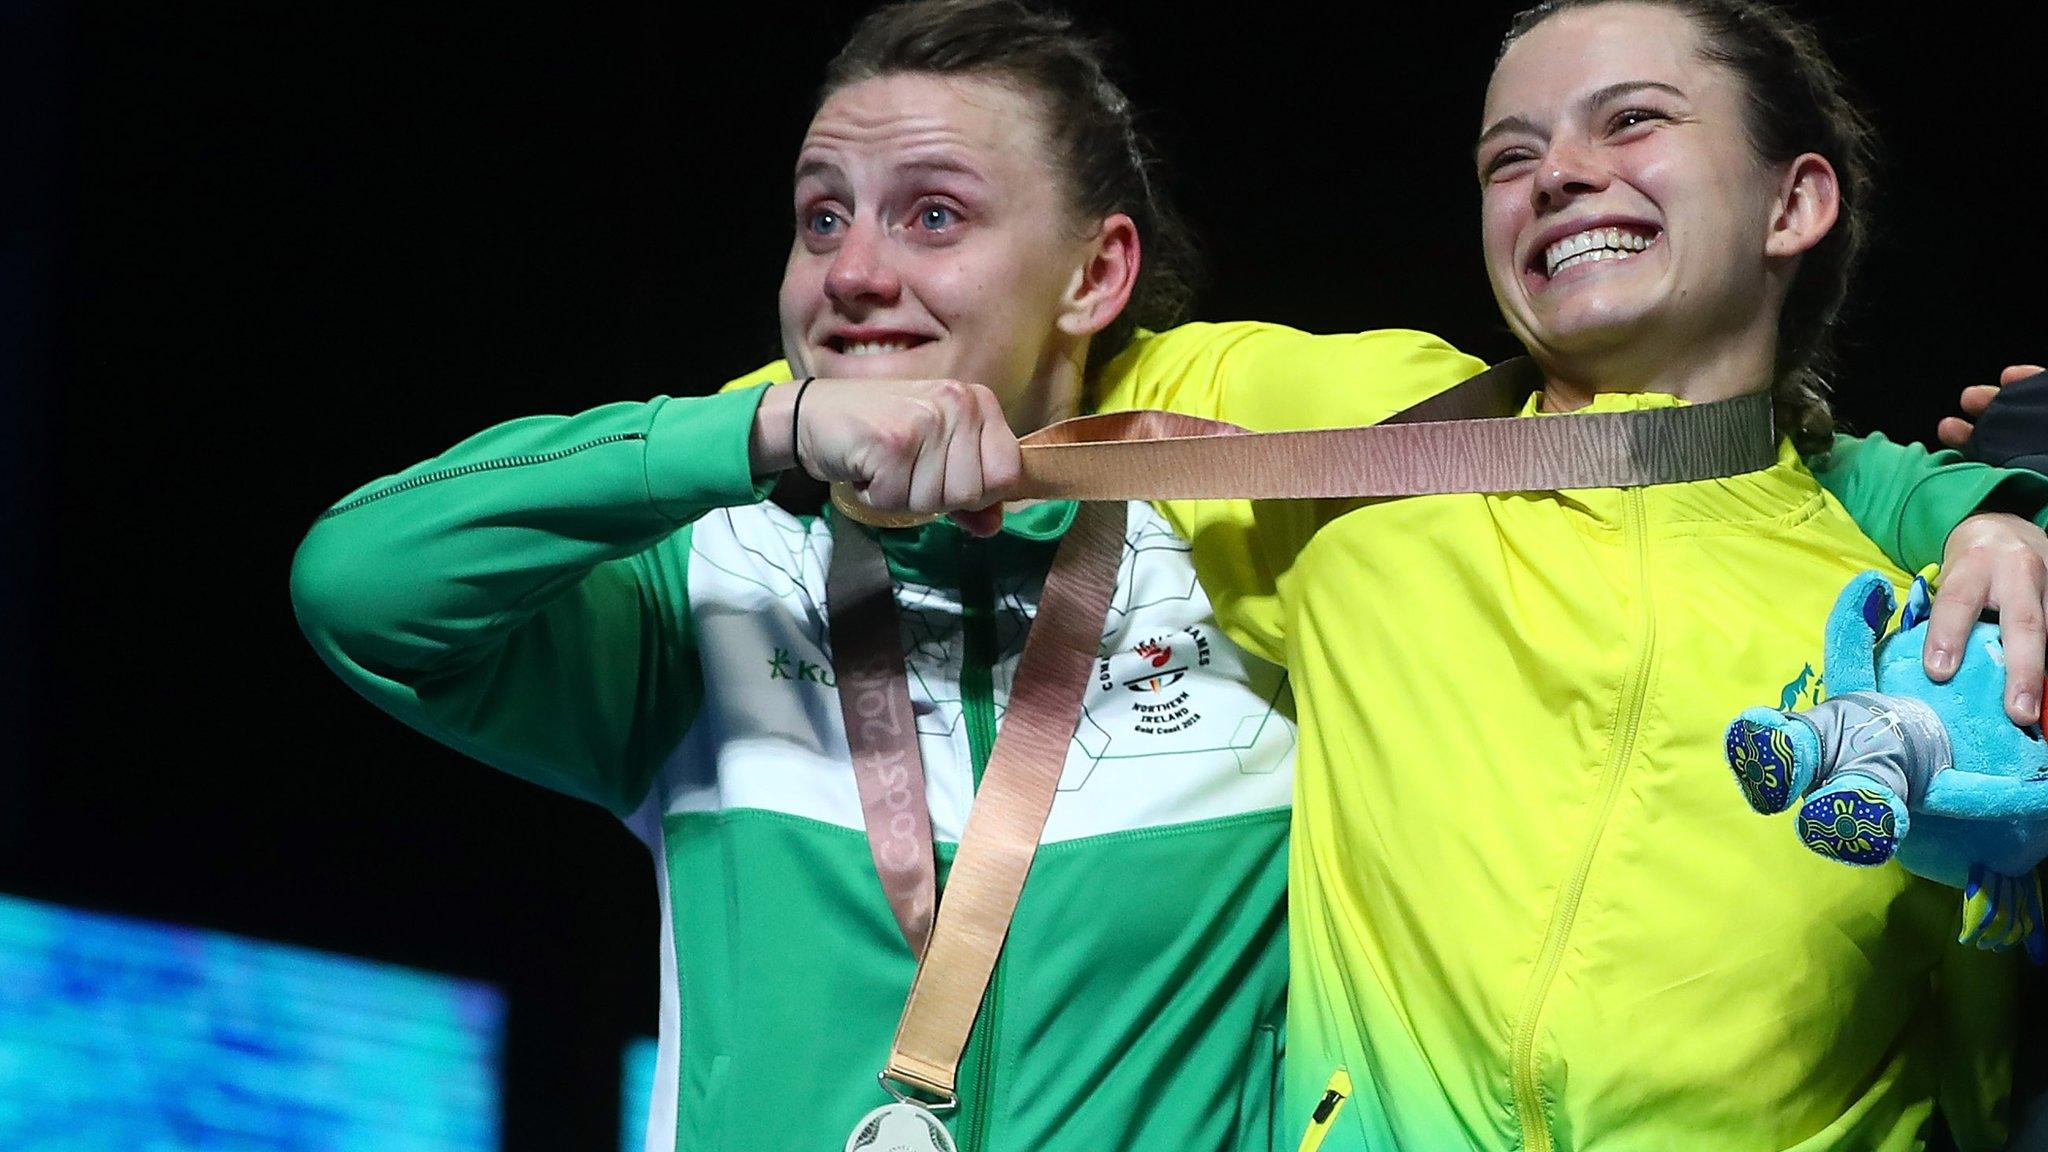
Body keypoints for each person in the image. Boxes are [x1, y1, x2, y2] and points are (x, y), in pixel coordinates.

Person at [294, 2, 2048, 1150]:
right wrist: (767, 431)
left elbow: (1754, 465)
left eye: (931, 214)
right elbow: (365, 583)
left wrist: (2004, 499)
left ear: (1100, 274)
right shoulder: (732, 588)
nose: (856, 267)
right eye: (821, 215)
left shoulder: (1304, 514)